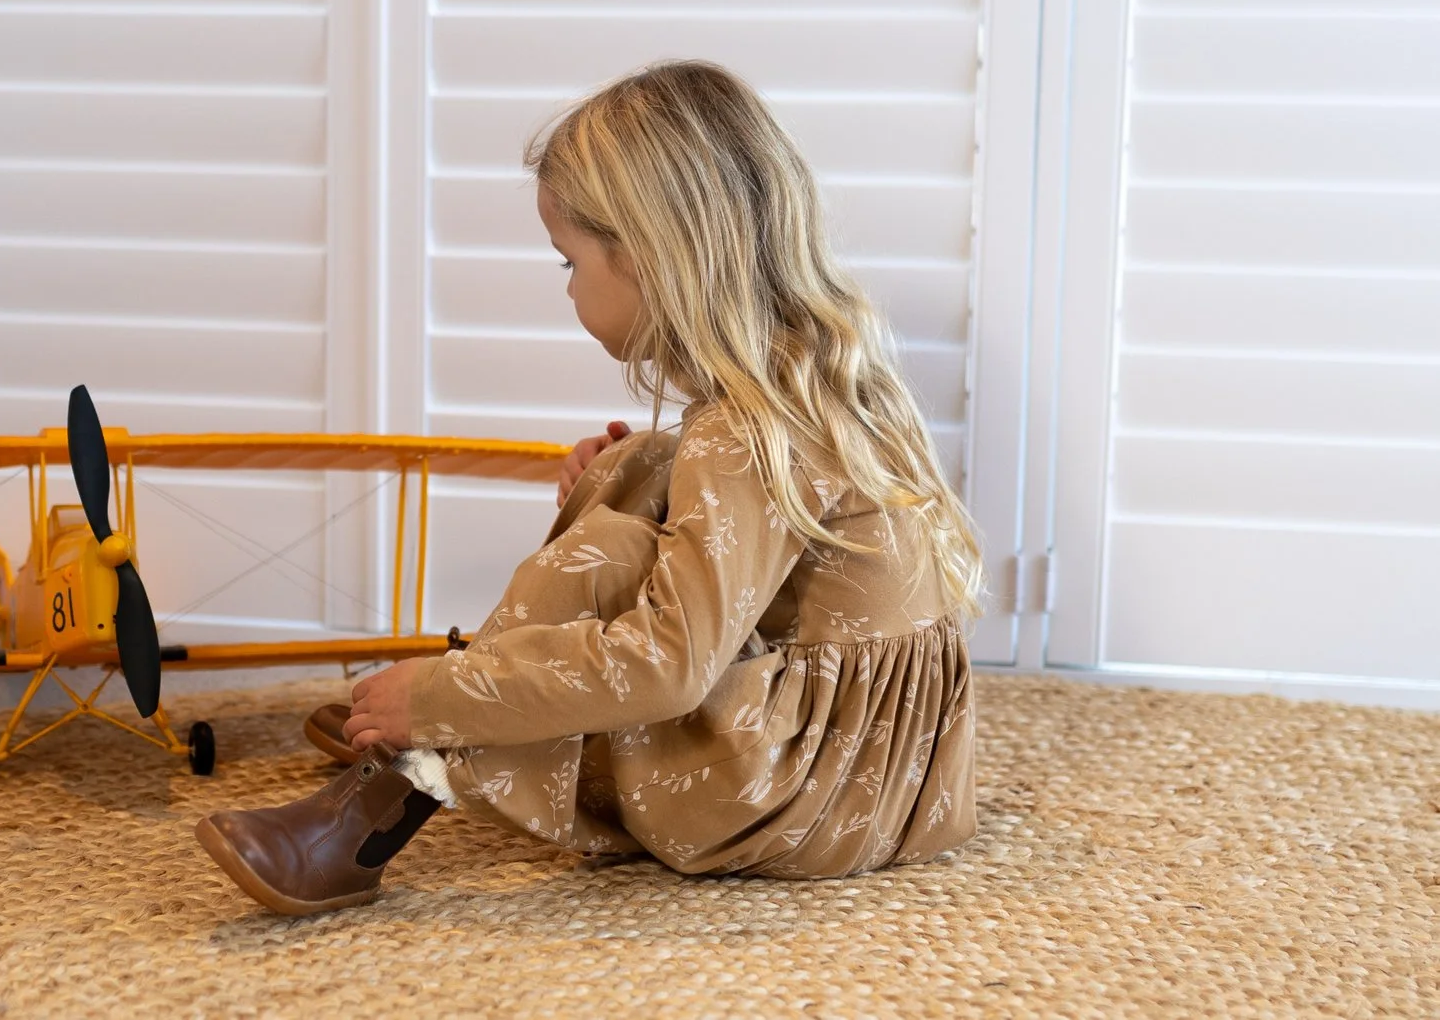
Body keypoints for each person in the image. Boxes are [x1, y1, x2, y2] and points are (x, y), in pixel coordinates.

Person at [196, 60, 983, 915]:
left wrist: (444, 697)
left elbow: (671, 665)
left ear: (647, 257)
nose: (567, 285)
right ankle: (439, 722)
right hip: (893, 773)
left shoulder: (741, 432)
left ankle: (380, 800)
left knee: (604, 561)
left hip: (807, 795)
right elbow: (774, 537)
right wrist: (633, 467)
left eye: (566, 262)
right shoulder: (821, 363)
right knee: (628, 496)